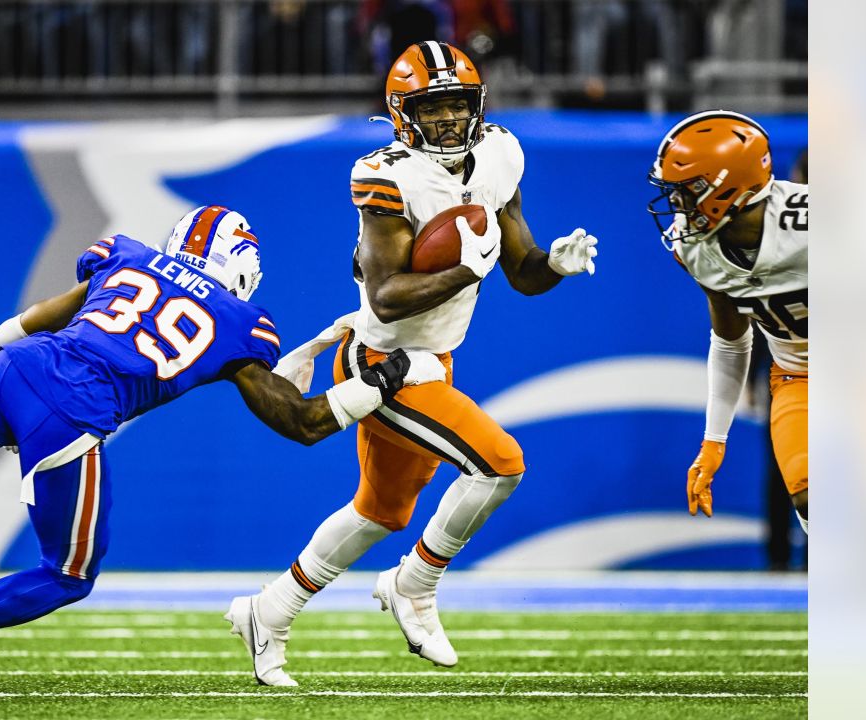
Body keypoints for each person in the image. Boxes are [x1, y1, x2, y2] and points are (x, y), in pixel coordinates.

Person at [0, 205, 443, 695]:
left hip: (13, 371)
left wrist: (3, 409)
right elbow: (304, 424)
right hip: (70, 415)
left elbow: (13, 331)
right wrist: (378, 385)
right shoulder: (240, 322)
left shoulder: (127, 256)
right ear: (243, 267)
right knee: (69, 574)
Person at [225, 41, 599, 686]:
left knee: (381, 510)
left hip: (436, 359)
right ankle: (414, 585)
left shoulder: (502, 154)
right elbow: (387, 297)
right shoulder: (386, 174)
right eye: (436, 107)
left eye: (460, 105)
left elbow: (521, 269)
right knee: (500, 463)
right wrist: (464, 270)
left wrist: (554, 265)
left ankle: (270, 610)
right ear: (403, 113)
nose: (451, 119)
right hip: (383, 365)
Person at [647, 110, 809, 534]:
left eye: (686, 191)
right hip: (799, 376)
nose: (677, 204)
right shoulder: (699, 251)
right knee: (810, 497)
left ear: (726, 186)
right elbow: (732, 340)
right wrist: (713, 439)